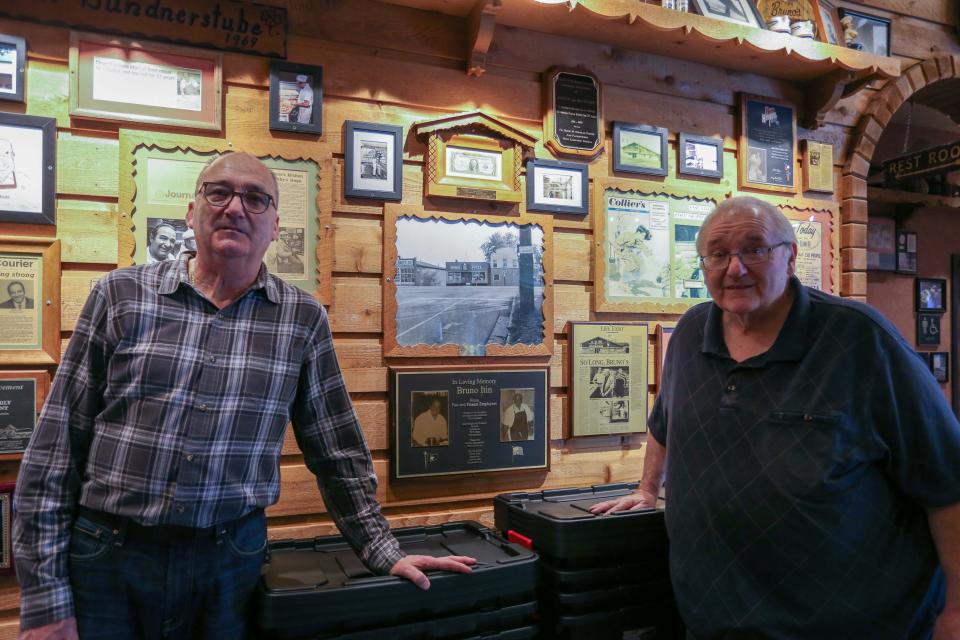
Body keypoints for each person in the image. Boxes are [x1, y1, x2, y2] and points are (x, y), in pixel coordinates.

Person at [13, 153, 474, 640]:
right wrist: (44, 600)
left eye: (256, 199)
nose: (236, 208)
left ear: (275, 225)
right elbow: (54, 451)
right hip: (108, 555)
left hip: (229, 562)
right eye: (219, 192)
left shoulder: (301, 319)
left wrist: (384, 550)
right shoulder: (119, 295)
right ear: (192, 211)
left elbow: (337, 450)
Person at [592, 196, 960, 639]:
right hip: (713, 621)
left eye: (755, 249)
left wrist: (955, 613)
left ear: (790, 257)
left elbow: (947, 480)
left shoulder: (861, 339)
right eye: (718, 254)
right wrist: (648, 488)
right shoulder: (691, 332)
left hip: (850, 625)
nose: (735, 268)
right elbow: (666, 422)